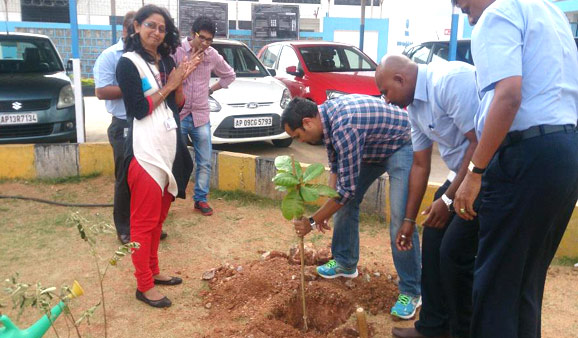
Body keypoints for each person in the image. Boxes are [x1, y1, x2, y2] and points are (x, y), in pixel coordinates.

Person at [451, 0, 578, 336]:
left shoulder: (498, 14)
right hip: (564, 152)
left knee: (496, 289)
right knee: (526, 284)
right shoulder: (550, 12)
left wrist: (475, 172)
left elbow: (508, 96)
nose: (469, 17)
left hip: (524, 156)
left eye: (465, 9)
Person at [284, 95, 423, 319]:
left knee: (400, 217)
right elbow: (337, 169)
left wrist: (312, 221)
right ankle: (345, 262)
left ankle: (412, 291)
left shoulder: (345, 125)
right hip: (371, 147)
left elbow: (345, 191)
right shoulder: (326, 120)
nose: (299, 141)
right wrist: (329, 205)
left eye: (298, 135)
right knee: (344, 203)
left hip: (400, 144)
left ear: (308, 122)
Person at [376, 55, 480, 338]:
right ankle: (433, 327)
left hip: (486, 174)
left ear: (401, 79)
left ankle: (462, 331)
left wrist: (447, 200)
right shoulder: (413, 108)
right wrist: (408, 220)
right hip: (459, 175)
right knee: (433, 240)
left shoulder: (449, 81)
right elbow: (420, 165)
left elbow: (479, 142)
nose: (385, 100)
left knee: (454, 252)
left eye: (385, 92)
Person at [116, 4, 199, 308]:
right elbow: (139, 109)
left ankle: (153, 271)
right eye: (151, 25)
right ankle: (143, 285)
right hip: (146, 155)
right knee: (143, 223)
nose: (157, 32)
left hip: (168, 152)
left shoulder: (163, 62)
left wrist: (181, 82)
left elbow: (175, 105)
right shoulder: (128, 63)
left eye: (162, 28)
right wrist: (170, 85)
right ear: (136, 27)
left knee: (158, 220)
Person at [172, 16, 236, 216]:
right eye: (203, 38)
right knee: (176, 158)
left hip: (201, 115)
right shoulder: (177, 51)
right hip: (180, 114)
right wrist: (189, 64)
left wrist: (211, 89)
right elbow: (167, 77)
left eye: (210, 40)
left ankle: (200, 199)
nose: (206, 43)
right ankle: (169, 195)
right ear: (193, 34)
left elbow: (230, 75)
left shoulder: (212, 54)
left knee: (205, 160)